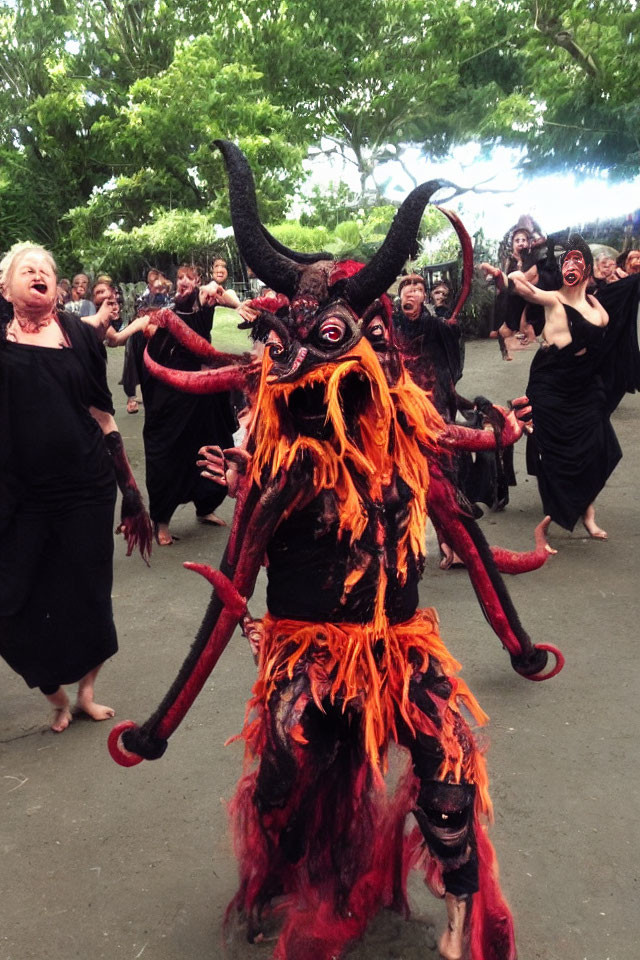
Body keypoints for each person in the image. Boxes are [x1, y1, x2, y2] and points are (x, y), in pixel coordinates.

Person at [0, 243, 151, 732]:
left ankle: (84, 694)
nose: (39, 274)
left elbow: (103, 416)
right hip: (19, 495)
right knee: (11, 599)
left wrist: (130, 490)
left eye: (47, 269)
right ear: (5, 287)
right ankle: (54, 694)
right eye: (28, 269)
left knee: (89, 593)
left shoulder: (79, 338)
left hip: (85, 487)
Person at [508, 235, 640, 540]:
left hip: (584, 387)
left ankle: (587, 515)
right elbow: (523, 288)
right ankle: (558, 510)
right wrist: (511, 274)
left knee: (601, 447)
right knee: (554, 451)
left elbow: (610, 339)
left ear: (588, 269)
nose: (571, 265)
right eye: (567, 260)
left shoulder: (599, 307)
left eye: (578, 260)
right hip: (551, 383)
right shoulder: (554, 298)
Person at [135, 264, 236, 545]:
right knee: (169, 454)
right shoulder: (165, 313)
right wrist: (114, 335)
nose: (183, 282)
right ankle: (161, 522)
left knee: (215, 447)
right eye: (179, 277)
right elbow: (134, 330)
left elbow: (217, 291)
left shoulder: (203, 301)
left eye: (189, 278)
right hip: (172, 397)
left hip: (204, 395)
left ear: (197, 282)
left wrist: (242, 307)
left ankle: (206, 507)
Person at [393, 273, 462, 422]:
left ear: (424, 296)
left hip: (433, 394)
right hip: (402, 392)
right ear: (400, 295)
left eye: (417, 289)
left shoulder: (435, 324)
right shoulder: (392, 324)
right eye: (407, 288)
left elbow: (451, 347)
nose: (412, 292)